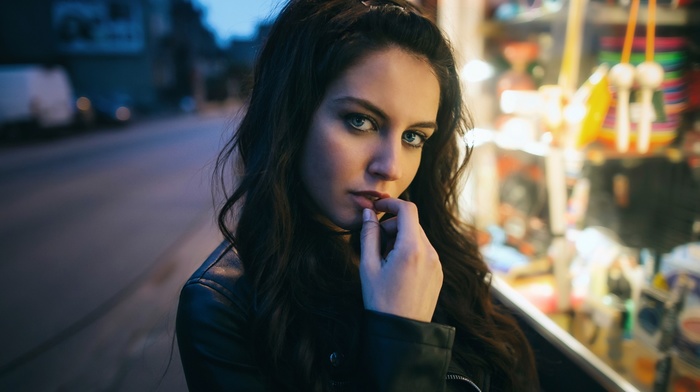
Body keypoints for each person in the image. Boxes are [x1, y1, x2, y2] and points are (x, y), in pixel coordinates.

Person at [176, 0, 539, 391]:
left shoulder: (437, 256)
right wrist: (404, 341)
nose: (391, 167)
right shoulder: (222, 305)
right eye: (361, 121)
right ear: (292, 117)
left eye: (413, 137)